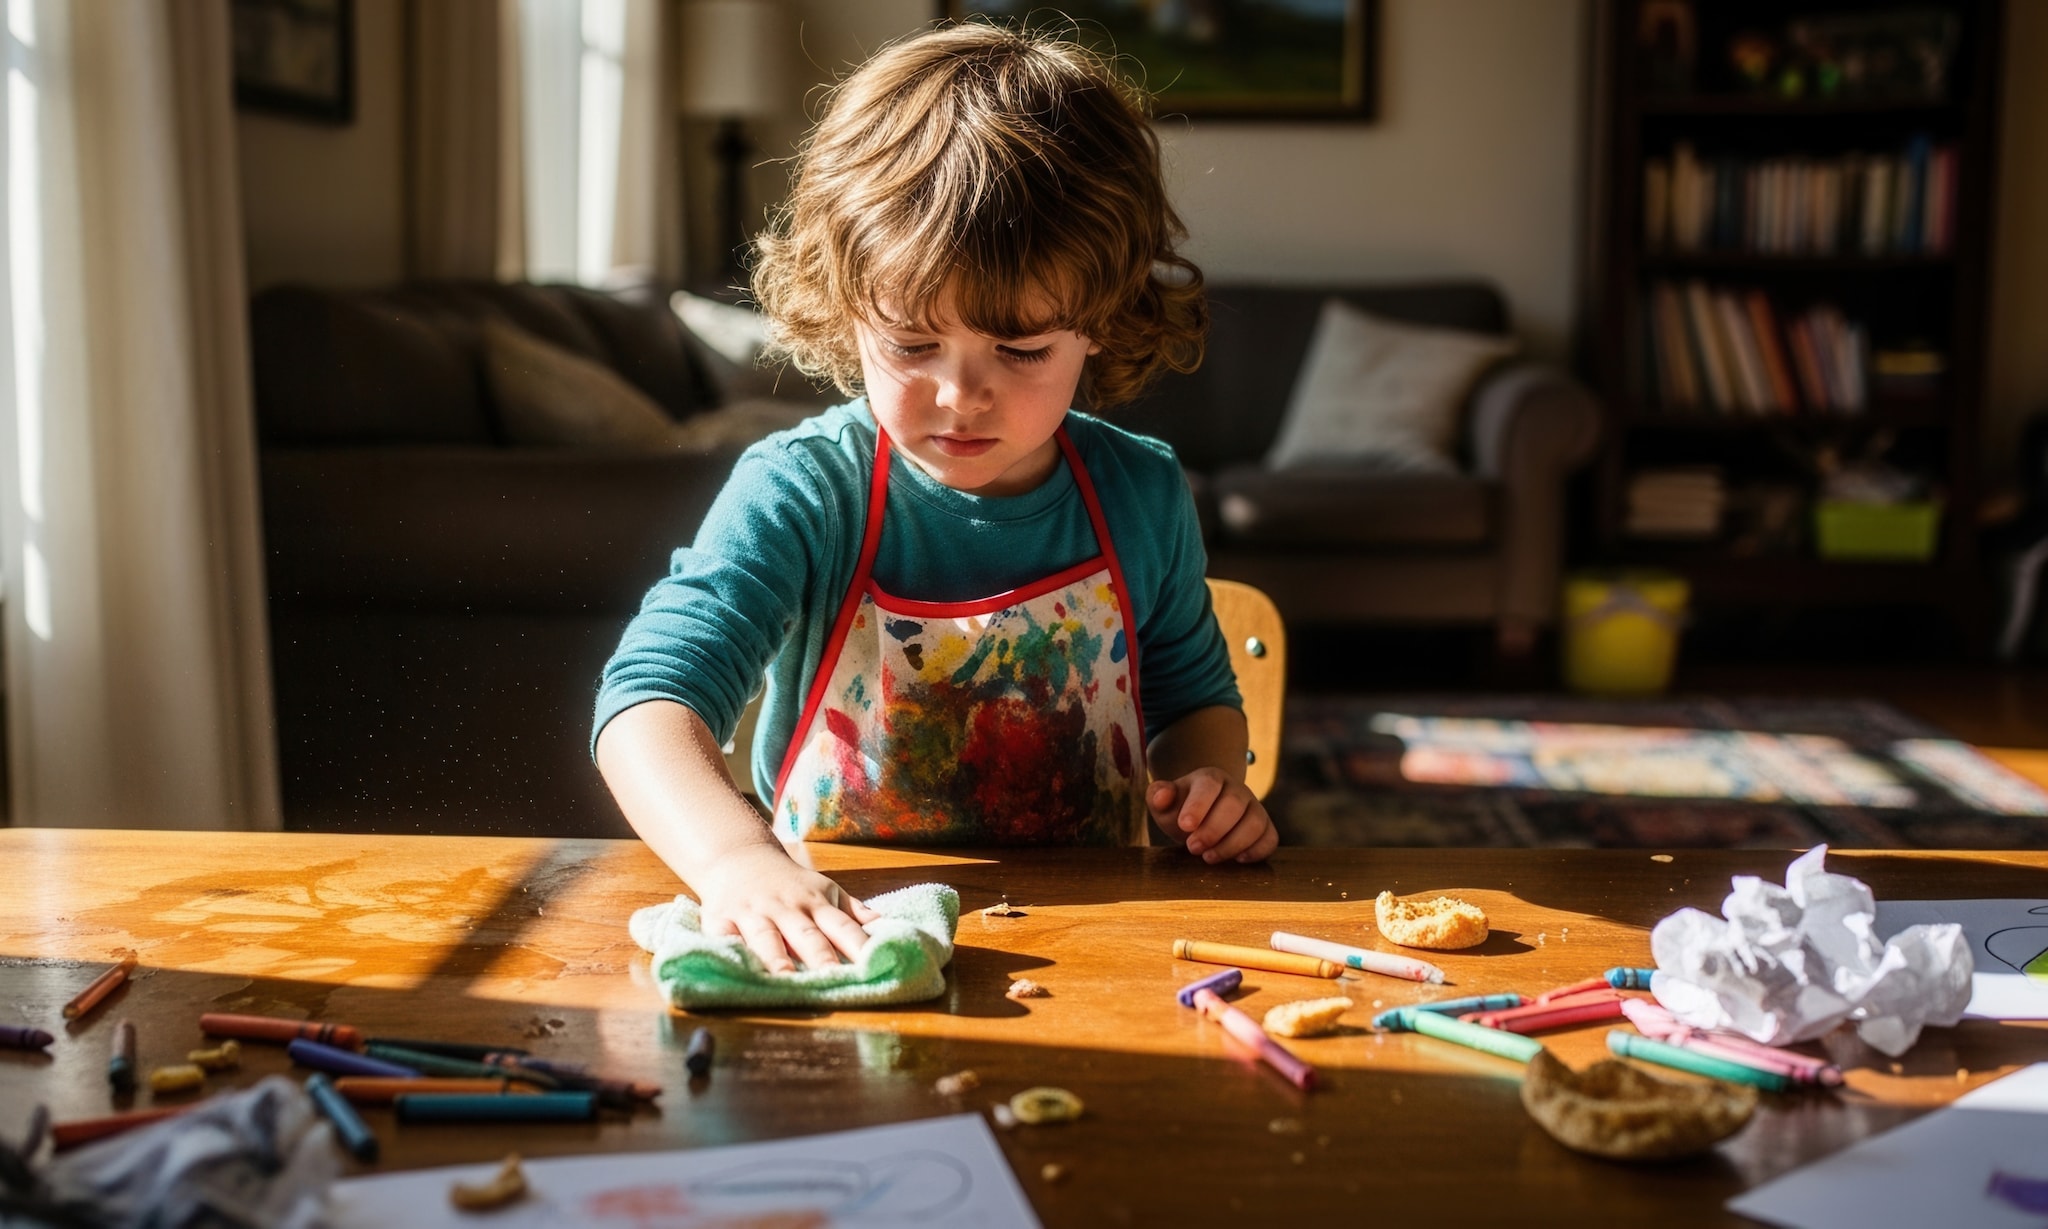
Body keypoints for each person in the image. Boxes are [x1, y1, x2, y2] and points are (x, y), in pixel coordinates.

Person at [593, 22, 1275, 975]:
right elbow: (648, 703)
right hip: (841, 935)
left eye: (1024, 350)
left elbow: (1192, 701)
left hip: (1100, 946)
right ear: (846, 306)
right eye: (913, 345)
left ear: (1102, 323)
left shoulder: (1142, 493)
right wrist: (737, 860)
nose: (962, 395)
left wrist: (1207, 786)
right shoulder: (805, 492)